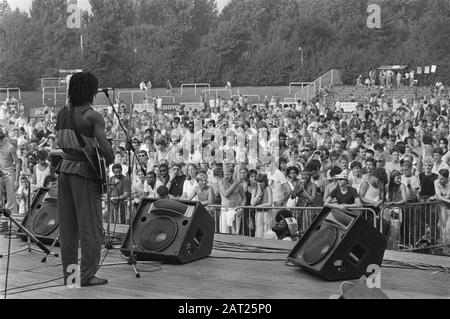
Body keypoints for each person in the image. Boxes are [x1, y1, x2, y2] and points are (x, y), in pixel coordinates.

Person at [55, 72, 115, 287]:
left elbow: (61, 139)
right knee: (91, 228)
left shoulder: (62, 112)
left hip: (64, 171)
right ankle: (87, 275)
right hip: (84, 173)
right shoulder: (92, 116)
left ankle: (71, 277)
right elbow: (106, 150)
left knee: (69, 230)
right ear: (91, 90)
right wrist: (110, 155)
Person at [0, 126, 20, 215]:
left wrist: (16, 180)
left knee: (11, 200)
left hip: (9, 175)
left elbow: (18, 163)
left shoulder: (10, 147)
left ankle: (13, 221)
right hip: (1, 175)